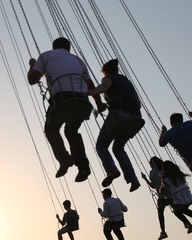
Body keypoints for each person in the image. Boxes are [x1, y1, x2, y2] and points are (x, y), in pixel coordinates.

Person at [27, 37, 106, 182]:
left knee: (51, 130)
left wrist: (33, 65)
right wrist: (99, 104)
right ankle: (83, 167)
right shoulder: (78, 60)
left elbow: (32, 80)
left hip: (61, 99)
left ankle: (64, 158)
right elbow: (90, 85)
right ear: (68, 48)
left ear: (54, 47)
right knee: (71, 132)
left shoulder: (46, 56)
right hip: (82, 100)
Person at [89, 59, 142, 192]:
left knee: (101, 145)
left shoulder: (108, 78)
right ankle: (133, 180)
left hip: (119, 115)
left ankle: (112, 170)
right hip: (135, 117)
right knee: (118, 149)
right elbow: (138, 103)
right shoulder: (126, 80)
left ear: (106, 72)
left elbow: (102, 88)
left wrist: (89, 92)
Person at [159, 161, 192, 234]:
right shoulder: (180, 175)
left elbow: (161, 190)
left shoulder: (165, 179)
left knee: (176, 212)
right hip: (188, 198)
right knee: (183, 210)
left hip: (179, 200)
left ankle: (190, 224)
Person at [141, 157, 173, 239]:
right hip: (171, 194)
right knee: (177, 210)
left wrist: (145, 179)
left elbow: (153, 185)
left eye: (150, 164)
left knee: (160, 213)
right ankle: (187, 223)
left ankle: (163, 231)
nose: (150, 166)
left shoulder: (152, 172)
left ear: (153, 164)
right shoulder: (165, 170)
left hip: (162, 196)